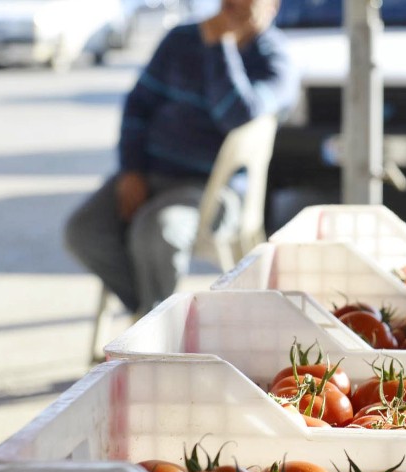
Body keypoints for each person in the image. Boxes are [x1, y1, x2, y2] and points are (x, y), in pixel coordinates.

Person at [65, 0, 299, 316]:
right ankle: (151, 314)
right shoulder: (181, 39)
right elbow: (138, 105)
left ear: (272, 6)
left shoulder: (276, 59)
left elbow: (236, 116)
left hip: (212, 190)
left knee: (157, 232)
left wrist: (220, 47)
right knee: (83, 230)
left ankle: (154, 322)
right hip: (150, 172)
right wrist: (131, 170)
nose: (236, 7)